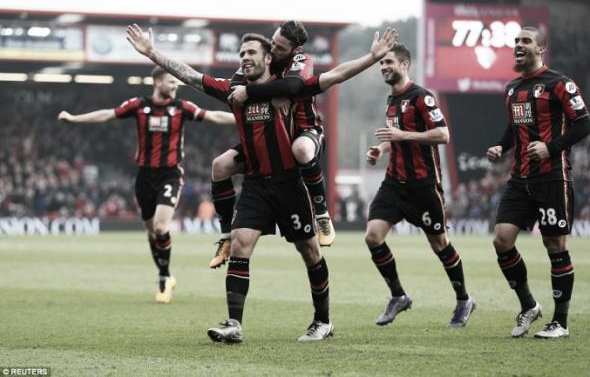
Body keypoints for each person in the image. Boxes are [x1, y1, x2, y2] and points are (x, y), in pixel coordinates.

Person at [126, 23, 397, 343]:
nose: (244, 58)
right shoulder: (232, 89)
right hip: (255, 183)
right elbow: (189, 75)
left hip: (290, 183)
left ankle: (323, 321)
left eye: (251, 52)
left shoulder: (289, 89)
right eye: (241, 53)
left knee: (309, 252)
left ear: (269, 57)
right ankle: (234, 323)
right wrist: (151, 53)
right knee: (241, 244)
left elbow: (335, 75)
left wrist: (371, 56)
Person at [57, 67, 236, 304]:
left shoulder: (181, 108)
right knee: (152, 232)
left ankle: (163, 278)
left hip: (170, 175)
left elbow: (213, 116)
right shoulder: (139, 106)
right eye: (171, 82)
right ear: (157, 82)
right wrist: (74, 119)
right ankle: (165, 273)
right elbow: (107, 114)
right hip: (144, 178)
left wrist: (244, 118)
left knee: (161, 228)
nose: (174, 86)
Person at [487, 26, 590, 338]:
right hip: (519, 179)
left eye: (525, 41)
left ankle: (560, 322)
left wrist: (551, 147)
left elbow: (583, 124)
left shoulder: (560, 84)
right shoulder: (511, 89)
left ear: (540, 49)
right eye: (516, 41)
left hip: (551, 177)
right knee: (502, 241)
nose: (518, 45)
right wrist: (501, 147)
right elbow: (514, 128)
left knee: (555, 245)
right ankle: (529, 306)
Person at [208, 21, 334, 271]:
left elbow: (293, 86)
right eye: (273, 42)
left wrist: (255, 92)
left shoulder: (300, 62)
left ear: (294, 49)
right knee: (220, 165)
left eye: (280, 46)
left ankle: (322, 214)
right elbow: (235, 86)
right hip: (265, 140)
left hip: (302, 129)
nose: (274, 48)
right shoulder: (261, 60)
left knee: (302, 150)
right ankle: (225, 236)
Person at [366, 43, 476, 328]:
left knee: (439, 244)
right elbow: (396, 138)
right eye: (381, 64)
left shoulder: (422, 97)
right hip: (394, 183)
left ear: (405, 65)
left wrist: (400, 135)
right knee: (373, 237)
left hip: (423, 185)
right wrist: (382, 149)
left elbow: (443, 134)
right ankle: (398, 295)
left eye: (388, 62)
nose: (383, 67)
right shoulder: (391, 100)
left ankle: (464, 299)